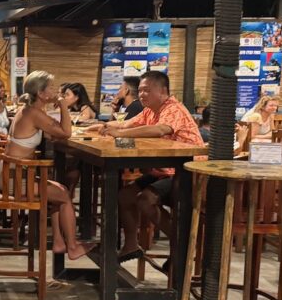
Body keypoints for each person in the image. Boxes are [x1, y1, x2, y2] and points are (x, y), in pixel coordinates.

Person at [87, 71, 203, 262]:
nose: (141, 94)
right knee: (125, 196)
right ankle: (131, 246)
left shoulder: (173, 108)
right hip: (165, 170)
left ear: (163, 91)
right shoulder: (150, 110)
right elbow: (126, 124)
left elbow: (161, 129)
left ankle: (183, 246)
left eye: (147, 90)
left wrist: (119, 134)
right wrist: (100, 127)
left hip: (187, 172)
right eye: (140, 90)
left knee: (145, 199)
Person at [6, 70, 96, 260]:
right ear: (41, 93)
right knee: (64, 195)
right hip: (15, 179)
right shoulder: (34, 113)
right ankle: (72, 247)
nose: (56, 91)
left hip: (12, 173)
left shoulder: (29, 110)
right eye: (51, 87)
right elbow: (66, 132)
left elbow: (50, 132)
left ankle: (59, 242)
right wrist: (63, 105)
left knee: (60, 190)